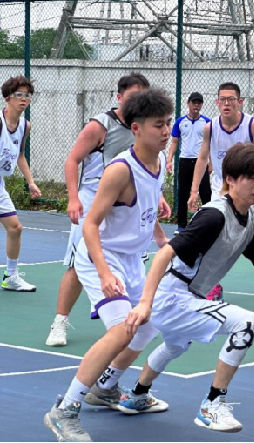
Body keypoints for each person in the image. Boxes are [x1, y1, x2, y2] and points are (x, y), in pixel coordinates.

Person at [119, 143, 254, 433]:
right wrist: (145, 302)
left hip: (187, 296)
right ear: (230, 179)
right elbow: (164, 254)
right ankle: (212, 405)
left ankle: (137, 395)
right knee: (247, 323)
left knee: (175, 344)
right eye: (252, 178)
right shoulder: (215, 215)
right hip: (173, 296)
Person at [44, 89, 175, 443]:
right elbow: (89, 224)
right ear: (136, 128)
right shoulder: (120, 169)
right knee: (122, 330)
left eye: (168, 123)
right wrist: (104, 273)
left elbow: (146, 206)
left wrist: (160, 238)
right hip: (100, 256)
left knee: (149, 324)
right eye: (158, 125)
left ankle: (105, 388)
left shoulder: (160, 160)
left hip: (131, 259)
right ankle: (65, 410)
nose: (166, 131)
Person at [45, 73, 171, 347]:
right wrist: (73, 198)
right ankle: (60, 321)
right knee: (78, 264)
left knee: (142, 318)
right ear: (119, 97)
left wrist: (157, 208)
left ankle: (118, 325)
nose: (164, 129)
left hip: (125, 205)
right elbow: (72, 160)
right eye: (133, 96)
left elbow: (146, 183)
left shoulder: (154, 145)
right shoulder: (100, 126)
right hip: (92, 202)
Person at [186, 82, 254, 300]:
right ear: (216, 102)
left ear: (239, 102)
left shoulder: (252, 125)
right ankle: (213, 284)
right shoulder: (210, 127)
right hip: (222, 187)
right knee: (215, 235)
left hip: (249, 186)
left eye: (231, 99)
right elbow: (202, 158)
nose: (226, 103)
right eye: (222, 99)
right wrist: (194, 191)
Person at [0, 76, 41, 292]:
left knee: (15, 228)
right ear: (8, 98)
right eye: (19, 95)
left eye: (27, 95)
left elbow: (20, 156)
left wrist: (31, 182)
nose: (24, 99)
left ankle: (11, 276)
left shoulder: (25, 126)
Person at [166, 92, 211, 234]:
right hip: (185, 160)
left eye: (199, 103)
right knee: (183, 193)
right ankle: (181, 225)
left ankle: (210, 224)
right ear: (188, 104)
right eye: (193, 102)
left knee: (206, 193)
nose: (196, 105)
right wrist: (169, 160)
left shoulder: (207, 122)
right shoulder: (180, 122)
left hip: (200, 161)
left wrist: (211, 163)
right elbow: (174, 142)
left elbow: (211, 143)